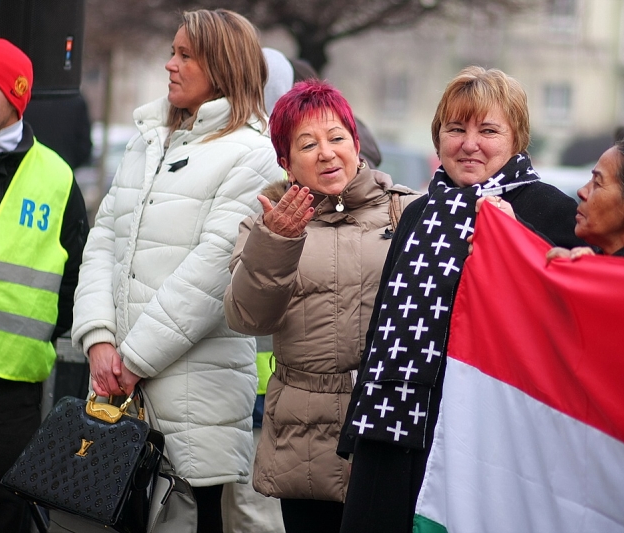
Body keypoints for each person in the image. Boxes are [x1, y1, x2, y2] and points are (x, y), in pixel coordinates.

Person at [336, 66, 583, 533]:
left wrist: (517, 241)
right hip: (391, 432)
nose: (469, 144)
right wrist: (358, 433)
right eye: (456, 129)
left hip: (484, 443)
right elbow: (382, 328)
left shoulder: (550, 212)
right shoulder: (418, 213)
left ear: (517, 138)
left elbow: (566, 325)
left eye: (488, 130)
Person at [70, 10, 284, 532]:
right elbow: (103, 242)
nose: (170, 64)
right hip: (117, 390)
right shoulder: (146, 140)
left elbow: (212, 275)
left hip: (192, 405)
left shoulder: (253, 155)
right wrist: (98, 339)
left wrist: (132, 360)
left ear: (224, 66)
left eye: (186, 55)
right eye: (172, 50)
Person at [223, 79, 418, 533]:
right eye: (308, 144)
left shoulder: (406, 212)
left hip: (387, 425)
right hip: (304, 436)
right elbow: (247, 317)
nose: (327, 153)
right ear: (287, 162)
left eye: (337, 138)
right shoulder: (265, 227)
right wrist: (278, 243)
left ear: (356, 144)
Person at [0, 38, 89, 533]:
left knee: (2, 511)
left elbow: (76, 277)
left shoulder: (56, 178)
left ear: (17, 93)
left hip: (10, 383)